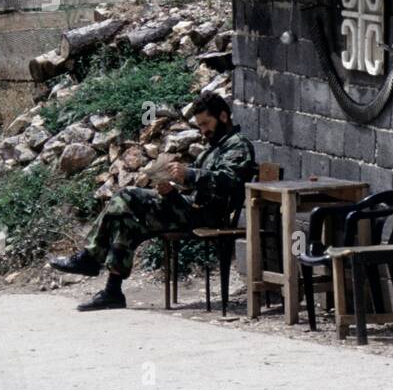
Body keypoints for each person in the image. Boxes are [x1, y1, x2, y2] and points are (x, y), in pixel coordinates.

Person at [49, 91, 254, 311]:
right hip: (191, 209)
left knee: (126, 195)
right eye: (200, 125)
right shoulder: (213, 148)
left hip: (210, 216)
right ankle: (113, 292)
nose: (203, 130)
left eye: (206, 123)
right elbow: (198, 187)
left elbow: (229, 182)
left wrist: (191, 175)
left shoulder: (237, 146)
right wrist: (172, 189)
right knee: (127, 220)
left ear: (223, 116)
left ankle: (89, 258)